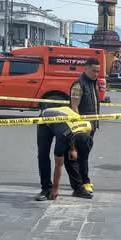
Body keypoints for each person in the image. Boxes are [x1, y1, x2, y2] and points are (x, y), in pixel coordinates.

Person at [36, 106, 94, 201]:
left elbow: (82, 155)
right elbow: (59, 165)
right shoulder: (64, 136)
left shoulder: (88, 125)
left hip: (65, 120)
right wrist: (55, 189)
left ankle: (78, 188)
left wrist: (73, 150)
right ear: (73, 144)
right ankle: (46, 189)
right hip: (46, 119)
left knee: (71, 157)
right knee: (43, 154)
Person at [70, 57, 101, 193]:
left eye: (98, 71)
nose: (96, 74)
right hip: (82, 127)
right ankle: (84, 181)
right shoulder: (79, 84)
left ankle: (81, 180)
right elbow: (74, 107)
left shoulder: (93, 84)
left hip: (92, 125)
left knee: (84, 154)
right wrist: (79, 127)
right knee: (81, 155)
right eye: (94, 71)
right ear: (86, 69)